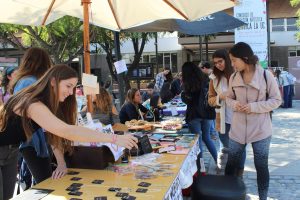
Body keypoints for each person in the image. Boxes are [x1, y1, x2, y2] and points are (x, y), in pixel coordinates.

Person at [0, 64, 138, 200]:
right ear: (53, 81)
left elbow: (54, 134)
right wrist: (113, 139)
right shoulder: (33, 104)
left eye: (73, 87)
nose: (71, 92)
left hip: (11, 152)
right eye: (68, 86)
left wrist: (61, 163)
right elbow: (66, 131)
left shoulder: (47, 104)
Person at [225, 42, 281, 200]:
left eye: (234, 60)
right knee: (231, 164)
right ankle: (228, 195)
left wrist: (253, 107)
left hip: (261, 130)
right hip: (237, 129)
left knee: (261, 166)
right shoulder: (234, 77)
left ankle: (263, 197)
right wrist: (234, 104)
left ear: (245, 58)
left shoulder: (266, 75)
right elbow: (228, 98)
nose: (232, 64)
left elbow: (276, 100)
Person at [12, 47, 54, 189]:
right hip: (32, 141)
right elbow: (33, 114)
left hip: (32, 140)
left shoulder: (25, 81)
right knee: (45, 184)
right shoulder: (30, 82)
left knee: (43, 183)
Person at [208, 49, 246, 175]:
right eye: (215, 63)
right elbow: (210, 100)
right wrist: (220, 97)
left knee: (239, 148)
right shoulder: (214, 78)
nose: (218, 65)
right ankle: (229, 174)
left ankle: (238, 175)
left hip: (240, 117)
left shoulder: (239, 74)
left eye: (220, 61)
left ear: (228, 60)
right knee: (227, 147)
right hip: (223, 119)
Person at [181, 62, 217, 164]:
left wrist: (183, 95)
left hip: (194, 114)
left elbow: (189, 100)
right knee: (207, 138)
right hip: (207, 113)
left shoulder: (188, 83)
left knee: (197, 141)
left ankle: (201, 168)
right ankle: (217, 161)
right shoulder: (205, 78)